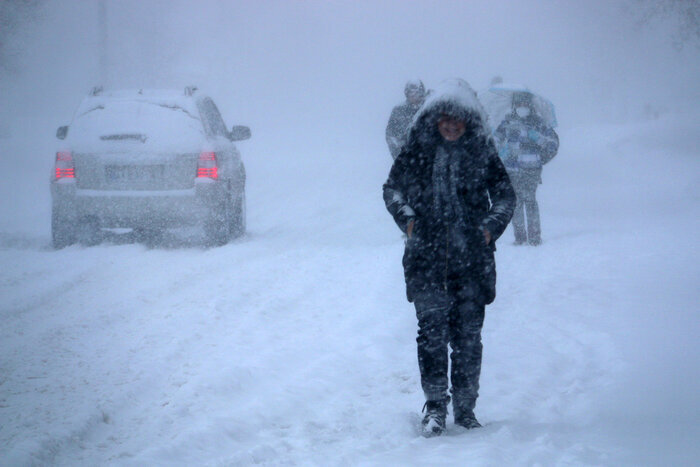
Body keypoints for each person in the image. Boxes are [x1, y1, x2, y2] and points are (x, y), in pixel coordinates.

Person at [383, 78, 515, 437]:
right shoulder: (416, 152)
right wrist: (408, 221)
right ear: (434, 119)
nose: (452, 124)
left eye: (459, 119)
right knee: (431, 336)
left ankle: (467, 409)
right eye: (446, 118)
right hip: (426, 262)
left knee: (468, 339)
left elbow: (505, 196)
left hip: (472, 264)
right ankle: (436, 407)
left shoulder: (482, 153)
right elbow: (392, 189)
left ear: (469, 121)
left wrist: (490, 227)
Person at [494, 92, 559, 245]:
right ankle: (520, 237)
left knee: (530, 201)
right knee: (516, 203)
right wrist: (502, 150)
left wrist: (537, 138)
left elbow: (553, 144)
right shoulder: (507, 122)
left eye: (524, 104)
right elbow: (495, 139)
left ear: (530, 105)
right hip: (512, 169)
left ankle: (535, 237)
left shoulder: (538, 123)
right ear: (514, 106)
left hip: (532, 169)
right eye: (519, 104)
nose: (522, 107)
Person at [385, 79, 427, 160]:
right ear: (406, 93)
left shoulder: (428, 108)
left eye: (417, 92)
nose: (414, 95)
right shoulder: (398, 110)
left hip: (427, 160)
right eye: (411, 92)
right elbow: (390, 135)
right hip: (405, 159)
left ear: (422, 93)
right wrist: (399, 156)